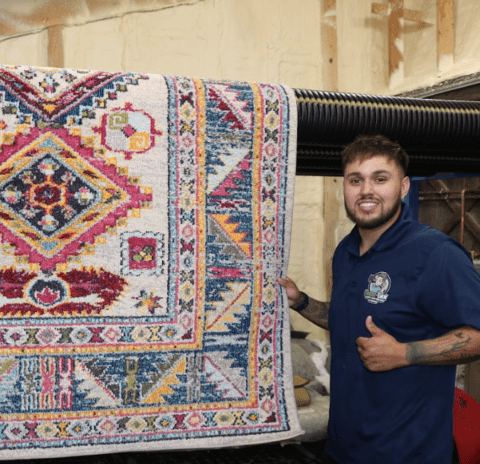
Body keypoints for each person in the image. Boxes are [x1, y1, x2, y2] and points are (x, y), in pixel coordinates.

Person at [279, 134, 480, 464]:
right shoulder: (346, 251)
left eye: (380, 178)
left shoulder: (435, 254)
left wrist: (405, 352)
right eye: (355, 180)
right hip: (343, 446)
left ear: (403, 187)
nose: (366, 190)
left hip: (407, 451)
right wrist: (300, 300)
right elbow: (349, 320)